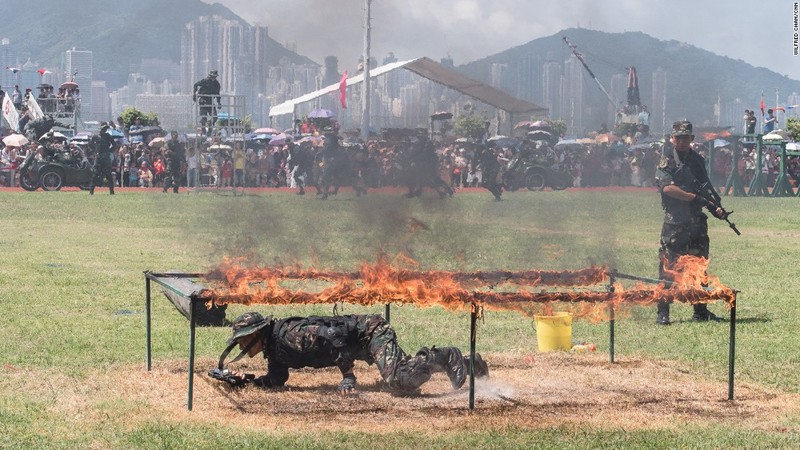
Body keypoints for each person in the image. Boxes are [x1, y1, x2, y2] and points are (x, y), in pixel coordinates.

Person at [210, 312, 489, 395]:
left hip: (368, 333)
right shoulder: (275, 348)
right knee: (403, 377)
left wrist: (348, 376)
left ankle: (447, 355)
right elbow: (277, 379)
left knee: (399, 380)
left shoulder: (288, 336)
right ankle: (468, 362)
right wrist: (246, 380)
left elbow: (334, 337)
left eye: (244, 339)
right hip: (360, 341)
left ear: (257, 333)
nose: (241, 346)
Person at [654, 120, 726, 325]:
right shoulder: (667, 159)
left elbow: (704, 187)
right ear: (672, 138)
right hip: (675, 222)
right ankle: (663, 312)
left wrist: (714, 207)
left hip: (696, 222)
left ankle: (700, 310)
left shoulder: (697, 160)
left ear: (692, 139)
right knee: (669, 267)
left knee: (699, 267)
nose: (682, 141)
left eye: (686, 137)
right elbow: (667, 188)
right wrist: (694, 198)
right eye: (678, 137)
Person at [89, 123, 115, 195]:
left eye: (105, 129)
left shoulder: (108, 136)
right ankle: (91, 191)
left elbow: (114, 145)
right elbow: (90, 144)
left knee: (108, 175)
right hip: (99, 157)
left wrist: (109, 151)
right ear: (100, 129)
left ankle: (111, 191)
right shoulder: (95, 136)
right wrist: (96, 150)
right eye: (103, 129)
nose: (104, 130)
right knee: (95, 174)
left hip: (106, 157)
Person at [193, 70, 221, 136]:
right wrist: (194, 95)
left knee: (215, 117)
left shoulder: (217, 84)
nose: (213, 78)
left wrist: (219, 102)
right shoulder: (205, 81)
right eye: (212, 76)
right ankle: (203, 129)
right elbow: (196, 85)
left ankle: (210, 127)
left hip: (210, 101)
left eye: (215, 77)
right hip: (203, 100)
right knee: (203, 117)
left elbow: (217, 94)